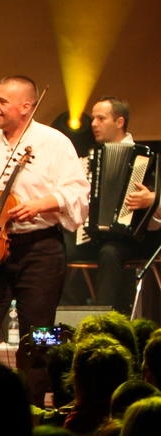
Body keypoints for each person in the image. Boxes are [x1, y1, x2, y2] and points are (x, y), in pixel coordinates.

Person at [0, 74, 88, 338]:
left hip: (40, 249)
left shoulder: (54, 141)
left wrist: (40, 205)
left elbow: (78, 191)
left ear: (25, 107)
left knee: (41, 333)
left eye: (2, 101)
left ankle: (41, 366)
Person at [68, 96, 158, 313]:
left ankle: (102, 320)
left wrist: (152, 199)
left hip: (136, 237)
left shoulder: (145, 157)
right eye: (93, 118)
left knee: (110, 253)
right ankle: (60, 320)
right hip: (94, 236)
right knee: (54, 249)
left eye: (101, 118)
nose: (93, 124)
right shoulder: (91, 159)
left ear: (119, 122)